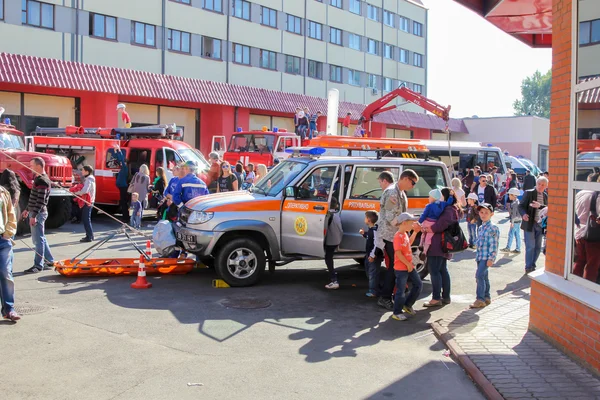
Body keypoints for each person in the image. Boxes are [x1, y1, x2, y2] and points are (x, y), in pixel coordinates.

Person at [377, 169, 419, 311]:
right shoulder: (392, 192)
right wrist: (405, 225)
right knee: (393, 268)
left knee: (395, 268)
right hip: (390, 235)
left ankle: (392, 295)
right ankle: (385, 297)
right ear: (406, 179)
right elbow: (390, 217)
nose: (413, 186)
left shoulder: (400, 193)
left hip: (397, 235)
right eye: (412, 182)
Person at [420, 188, 460, 307]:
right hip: (442, 244)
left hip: (438, 243)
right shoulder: (450, 208)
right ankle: (445, 296)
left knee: (434, 271)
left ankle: (436, 298)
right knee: (442, 270)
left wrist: (427, 229)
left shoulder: (448, 209)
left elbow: (440, 225)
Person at [23, 157, 55, 274]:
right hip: (37, 212)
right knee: (41, 238)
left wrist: (34, 215)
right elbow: (34, 197)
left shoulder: (42, 180)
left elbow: (41, 201)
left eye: (31, 165)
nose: (30, 168)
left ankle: (38, 265)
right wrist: (27, 209)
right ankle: (49, 260)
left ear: (38, 166)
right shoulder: (39, 179)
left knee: (38, 240)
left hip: (39, 213)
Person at [391, 213, 423, 321]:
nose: (413, 224)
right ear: (404, 223)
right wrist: (408, 264)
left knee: (418, 284)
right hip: (401, 268)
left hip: (408, 266)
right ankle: (397, 312)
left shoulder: (404, 234)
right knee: (401, 290)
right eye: (411, 223)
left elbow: (409, 243)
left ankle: (407, 304)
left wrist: (415, 232)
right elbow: (398, 253)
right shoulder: (397, 236)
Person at [471, 203, 500, 309]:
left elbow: (494, 244)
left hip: (486, 257)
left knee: (479, 276)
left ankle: (480, 299)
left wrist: (491, 258)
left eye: (486, 213)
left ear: (491, 214)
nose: (483, 215)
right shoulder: (481, 227)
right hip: (480, 256)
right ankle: (486, 297)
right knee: (484, 276)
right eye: (481, 212)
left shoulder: (492, 228)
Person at [520, 176, 549, 273]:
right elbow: (521, 206)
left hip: (540, 225)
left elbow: (547, 208)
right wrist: (524, 214)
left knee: (537, 247)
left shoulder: (545, 196)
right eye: (539, 184)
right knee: (530, 246)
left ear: (546, 186)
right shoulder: (529, 193)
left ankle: (533, 264)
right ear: (536, 184)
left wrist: (540, 206)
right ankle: (528, 267)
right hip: (530, 223)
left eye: (543, 185)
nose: (540, 186)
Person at [0, 184, 18, 321]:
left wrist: (8, 233)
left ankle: (9, 309)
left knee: (6, 273)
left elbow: (11, 214)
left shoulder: (3, 191)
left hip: (3, 240)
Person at [418, 189, 455, 256]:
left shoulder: (429, 206)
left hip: (426, 222)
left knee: (423, 233)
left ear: (433, 197)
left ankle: (420, 244)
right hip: (433, 223)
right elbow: (449, 202)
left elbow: (424, 215)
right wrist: (451, 196)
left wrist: (418, 222)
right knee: (429, 238)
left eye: (429, 196)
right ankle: (424, 252)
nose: (428, 198)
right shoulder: (442, 204)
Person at [574, 189, 600, 282]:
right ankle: (587, 290)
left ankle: (573, 284)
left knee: (580, 261)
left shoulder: (581, 193)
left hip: (579, 232)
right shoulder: (598, 196)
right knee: (592, 265)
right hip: (593, 235)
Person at [359, 210, 383, 298]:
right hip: (369, 255)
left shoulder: (375, 230)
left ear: (369, 220)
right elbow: (370, 238)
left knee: (373, 274)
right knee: (370, 273)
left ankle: (374, 291)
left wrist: (373, 255)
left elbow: (377, 244)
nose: (364, 219)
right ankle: (377, 287)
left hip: (373, 256)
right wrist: (363, 234)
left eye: (365, 217)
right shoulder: (371, 230)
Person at [324, 198, 343, 290]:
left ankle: (334, 280)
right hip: (336, 240)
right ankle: (333, 275)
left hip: (330, 241)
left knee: (328, 258)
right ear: (336, 206)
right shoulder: (336, 215)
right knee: (329, 257)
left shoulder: (328, 215)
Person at [74, 165, 96, 243]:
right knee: (86, 219)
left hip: (88, 201)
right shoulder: (89, 179)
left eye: (83, 170)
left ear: (87, 171)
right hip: (89, 201)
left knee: (86, 219)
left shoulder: (89, 180)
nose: (81, 172)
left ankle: (89, 236)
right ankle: (90, 235)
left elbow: (85, 190)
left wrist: (76, 193)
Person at [502, 188, 523, 254]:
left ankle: (508, 247)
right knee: (517, 235)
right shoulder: (517, 202)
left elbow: (513, 214)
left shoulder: (514, 203)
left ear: (514, 195)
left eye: (510, 195)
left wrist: (512, 222)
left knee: (511, 234)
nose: (509, 196)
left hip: (515, 221)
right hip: (518, 220)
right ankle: (518, 248)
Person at [114, 146, 130, 222]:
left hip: (123, 187)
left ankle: (125, 218)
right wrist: (116, 152)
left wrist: (119, 151)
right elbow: (119, 160)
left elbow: (121, 160)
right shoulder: (124, 168)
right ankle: (125, 217)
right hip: (122, 186)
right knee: (123, 202)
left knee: (123, 202)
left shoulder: (124, 168)